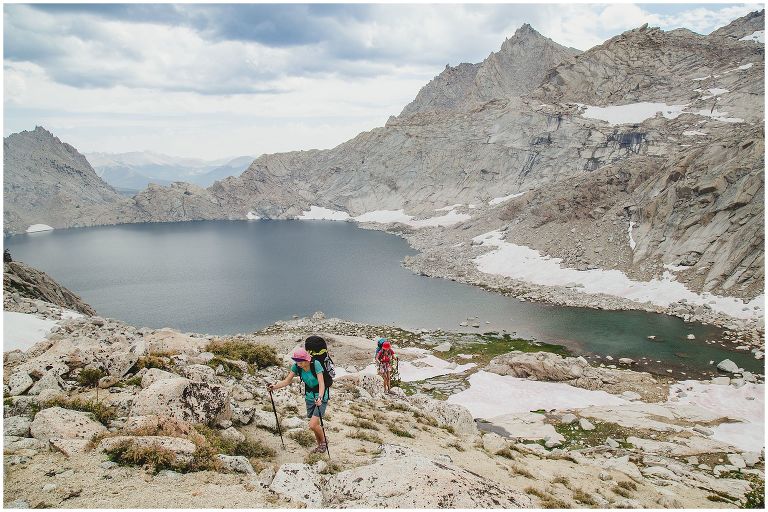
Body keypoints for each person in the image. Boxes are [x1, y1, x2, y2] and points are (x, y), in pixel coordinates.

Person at [268, 347, 329, 453]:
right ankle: (320, 445)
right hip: (309, 396)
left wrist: (320, 397)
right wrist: (274, 386)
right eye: (297, 361)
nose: (298, 364)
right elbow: (287, 381)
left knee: (312, 425)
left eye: (300, 362)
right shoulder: (296, 366)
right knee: (315, 425)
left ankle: (324, 441)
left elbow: (321, 383)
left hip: (321, 396)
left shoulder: (316, 364)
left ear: (307, 360)